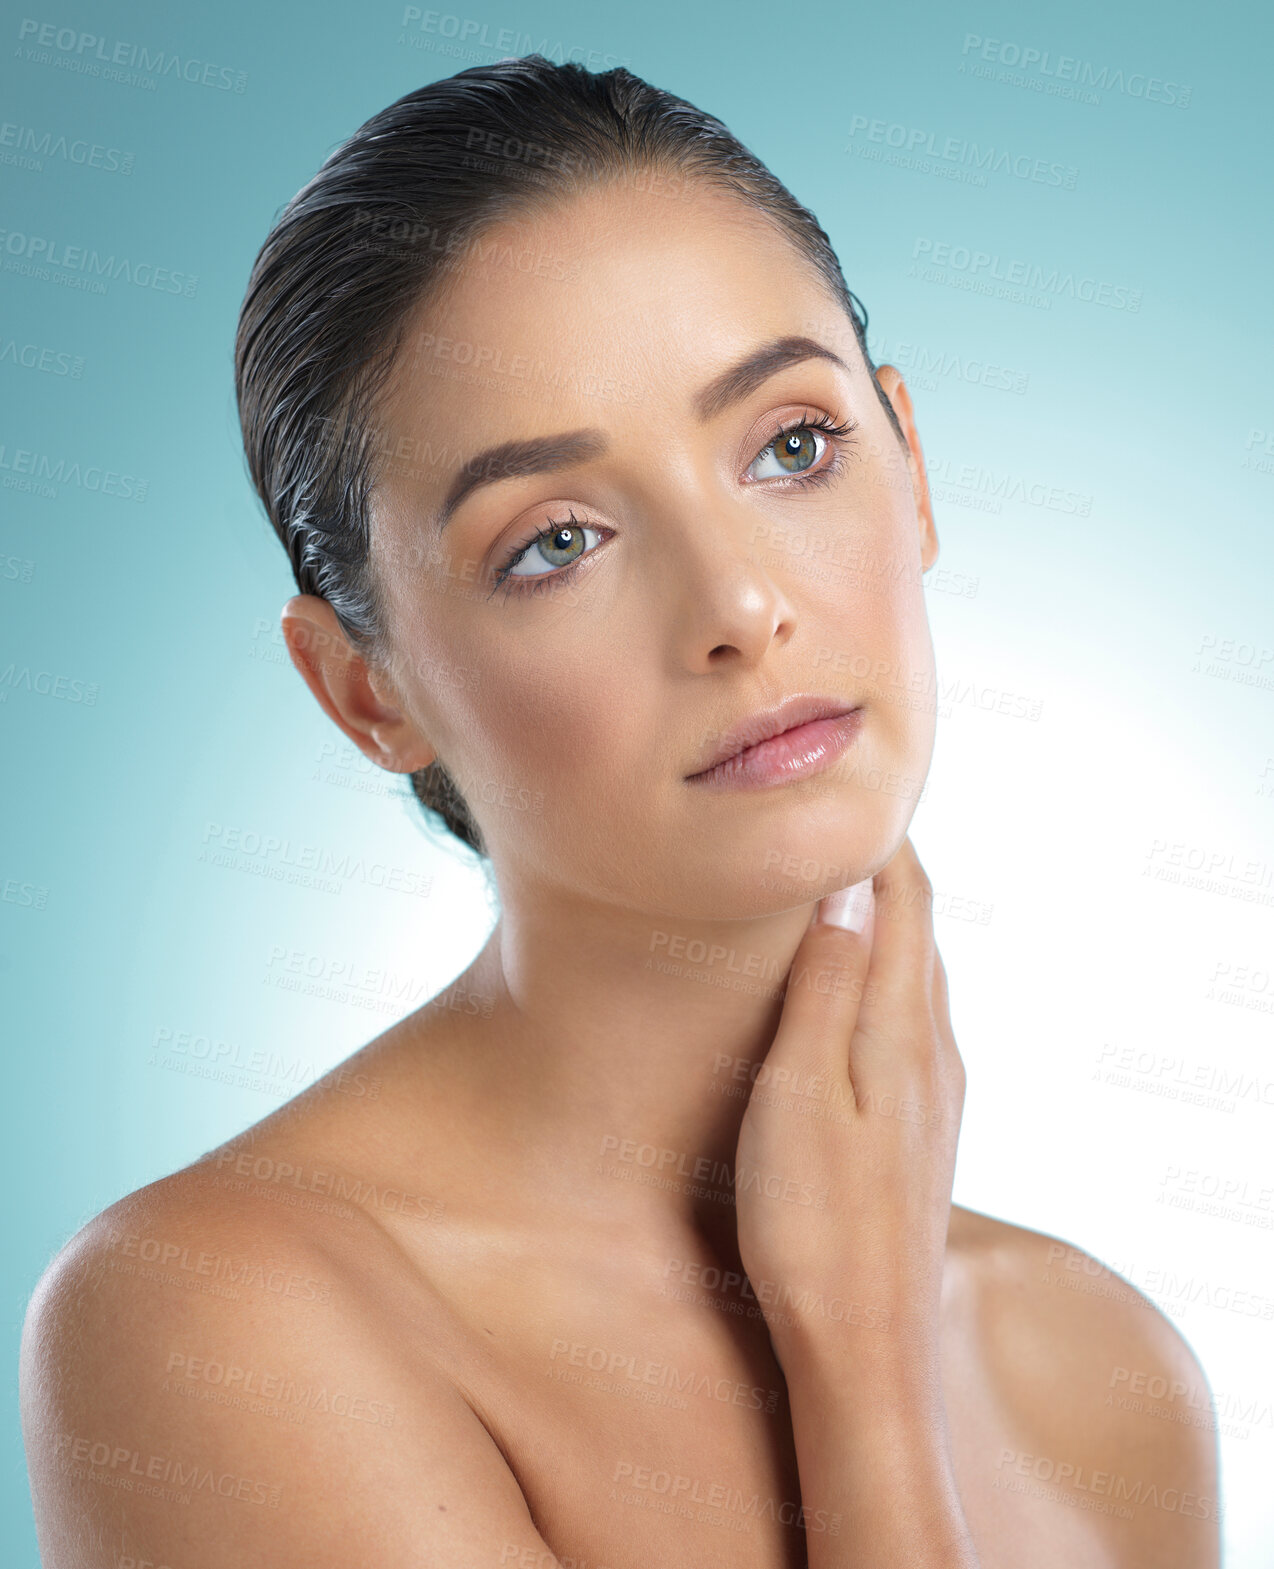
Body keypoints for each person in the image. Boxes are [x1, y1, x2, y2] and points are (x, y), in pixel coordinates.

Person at [21, 56, 1220, 1569]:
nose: (736, 605)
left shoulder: (1102, 1372)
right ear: (363, 690)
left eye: (792, 445)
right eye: (558, 539)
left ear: (908, 463)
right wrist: (857, 1384)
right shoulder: (215, 1319)